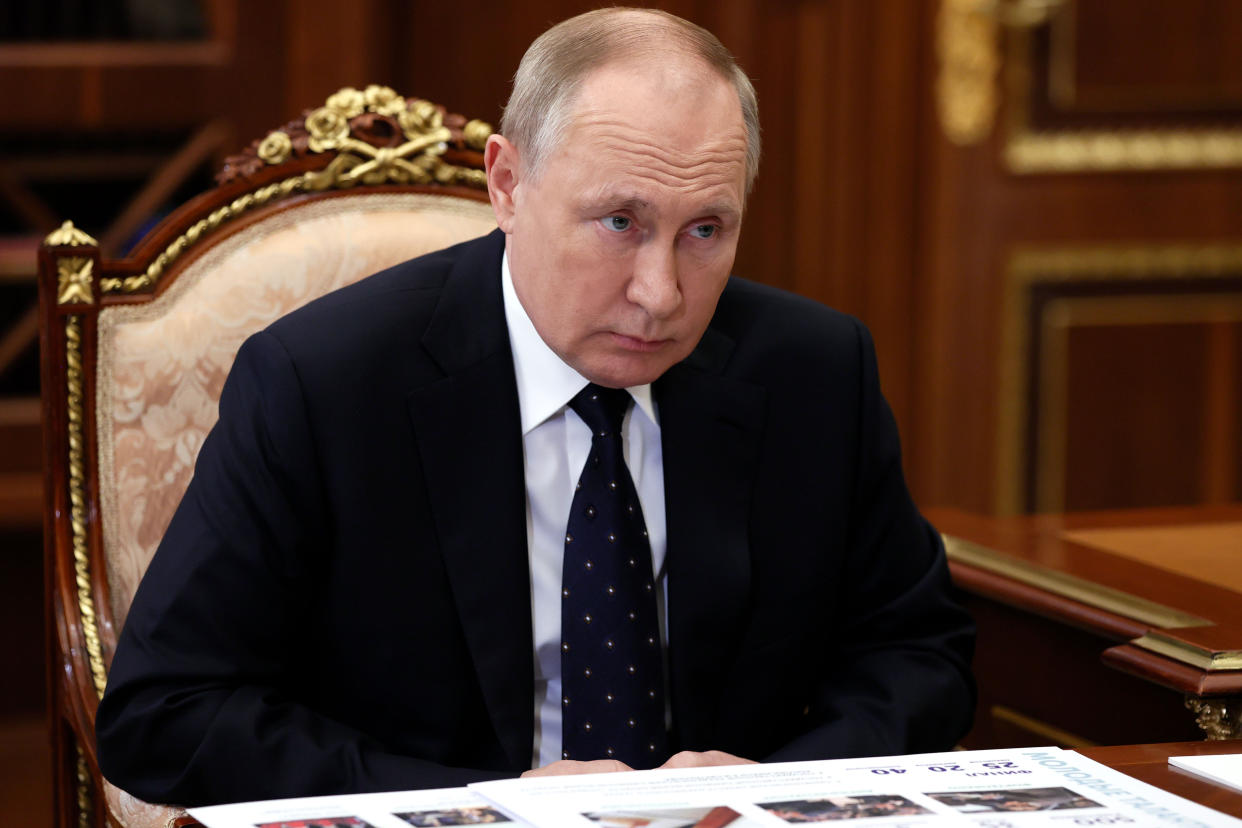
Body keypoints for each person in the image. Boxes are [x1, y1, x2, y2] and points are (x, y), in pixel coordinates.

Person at [95, 7, 975, 807]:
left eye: (705, 230)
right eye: (619, 222)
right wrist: (489, 807)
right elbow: (166, 712)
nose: (661, 294)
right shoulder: (322, 383)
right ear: (507, 184)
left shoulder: (815, 371)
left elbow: (920, 657)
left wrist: (782, 789)